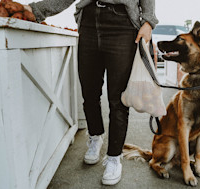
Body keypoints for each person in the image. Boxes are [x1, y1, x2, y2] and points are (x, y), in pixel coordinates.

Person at [25, 0, 158, 185]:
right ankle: (95, 137)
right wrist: (35, 10)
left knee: (118, 100)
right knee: (89, 92)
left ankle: (114, 157)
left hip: (122, 23)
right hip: (88, 21)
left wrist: (148, 21)